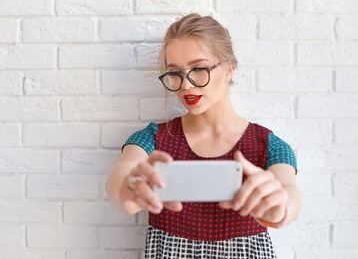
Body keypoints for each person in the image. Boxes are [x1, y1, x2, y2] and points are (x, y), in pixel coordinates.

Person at [106, 13, 301, 259]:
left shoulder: (268, 145)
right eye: (175, 72)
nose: (185, 85)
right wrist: (127, 189)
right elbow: (123, 171)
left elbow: (289, 193)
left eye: (198, 69)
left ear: (230, 69)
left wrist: (280, 208)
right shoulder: (153, 139)